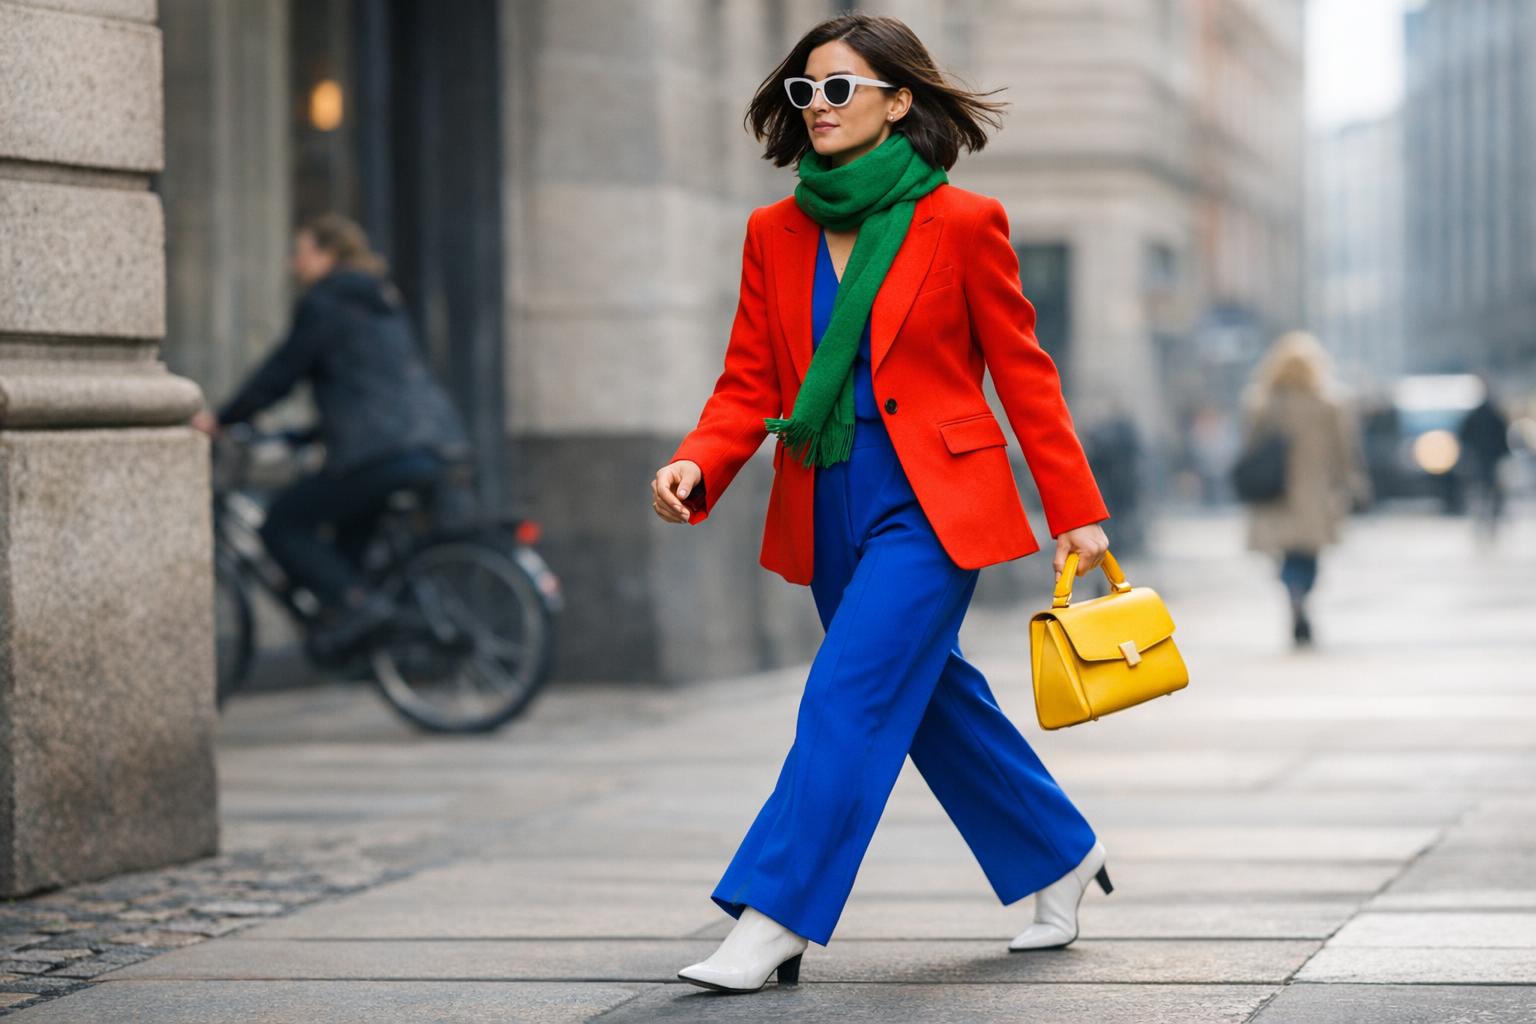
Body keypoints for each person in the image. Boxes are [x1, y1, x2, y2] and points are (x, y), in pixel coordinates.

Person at [649, 14, 1115, 993]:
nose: (818, 107)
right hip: (825, 496)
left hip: (935, 505)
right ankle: (1060, 853)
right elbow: (749, 380)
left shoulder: (964, 222)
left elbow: (1024, 374)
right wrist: (699, 462)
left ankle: (774, 915)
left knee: (847, 695)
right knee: (933, 700)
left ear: (898, 101)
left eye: (840, 88)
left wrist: (1074, 506)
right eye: (805, 91)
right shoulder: (774, 233)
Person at [192, 212, 471, 660]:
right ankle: (356, 632)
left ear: (329, 253)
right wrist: (305, 436)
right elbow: (372, 388)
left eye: (301, 252)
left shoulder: (325, 302)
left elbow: (281, 373)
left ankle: (360, 609)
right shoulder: (382, 300)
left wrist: (223, 418)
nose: (293, 263)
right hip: (428, 442)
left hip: (376, 452)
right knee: (347, 544)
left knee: (283, 524)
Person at [1238, 330, 1371, 649]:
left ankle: (1293, 596)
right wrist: (1352, 483)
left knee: (1286, 553)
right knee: (1308, 555)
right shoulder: (1328, 404)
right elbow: (1344, 450)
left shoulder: (1262, 403)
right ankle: (1301, 597)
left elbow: (1250, 448)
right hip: (1316, 494)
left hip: (1276, 493)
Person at [1456, 375, 1512, 538]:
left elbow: (1464, 437)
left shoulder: (1483, 415)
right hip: (1486, 460)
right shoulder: (1491, 414)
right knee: (1487, 492)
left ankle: (1487, 520)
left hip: (1486, 460)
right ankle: (1486, 520)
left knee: (1486, 492)